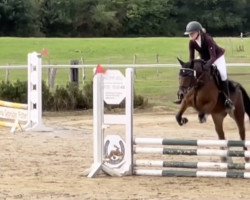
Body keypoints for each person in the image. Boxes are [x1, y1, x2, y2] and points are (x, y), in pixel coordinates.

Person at [184, 21, 234, 111]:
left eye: (192, 33)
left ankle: (227, 99)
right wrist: (190, 68)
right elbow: (191, 58)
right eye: (189, 34)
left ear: (198, 32)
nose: (190, 36)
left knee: (223, 75)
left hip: (217, 57)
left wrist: (206, 66)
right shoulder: (191, 42)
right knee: (197, 71)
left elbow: (213, 57)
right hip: (204, 57)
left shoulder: (207, 39)